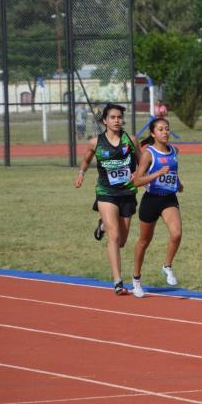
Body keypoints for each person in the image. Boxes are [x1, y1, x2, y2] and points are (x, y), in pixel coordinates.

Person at [74, 103, 140, 295]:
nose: (117, 120)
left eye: (119, 117)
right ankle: (118, 281)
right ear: (104, 121)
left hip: (127, 193)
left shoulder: (131, 140)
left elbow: (143, 161)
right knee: (114, 236)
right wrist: (81, 173)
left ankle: (101, 225)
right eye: (112, 117)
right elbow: (86, 160)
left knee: (121, 241)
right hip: (106, 193)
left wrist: (138, 174)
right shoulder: (96, 142)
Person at [129, 117, 183, 298]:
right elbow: (137, 181)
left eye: (167, 128)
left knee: (176, 234)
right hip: (151, 200)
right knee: (144, 242)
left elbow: (173, 172)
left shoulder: (174, 151)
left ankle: (167, 266)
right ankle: (136, 279)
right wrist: (157, 174)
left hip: (169, 199)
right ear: (153, 133)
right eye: (161, 129)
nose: (165, 132)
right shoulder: (148, 154)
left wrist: (178, 183)